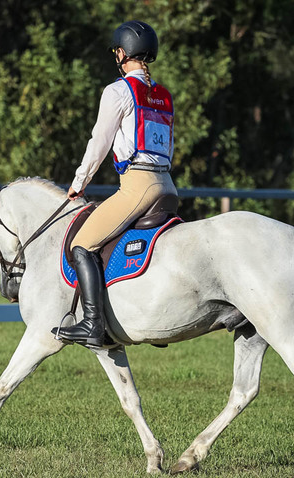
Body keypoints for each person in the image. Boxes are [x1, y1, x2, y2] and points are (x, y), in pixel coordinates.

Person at [53, 20, 177, 346]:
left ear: (121, 53)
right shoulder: (163, 96)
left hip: (137, 186)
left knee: (83, 243)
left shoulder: (118, 91)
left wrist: (79, 183)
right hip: (168, 187)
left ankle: (92, 324)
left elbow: (99, 142)